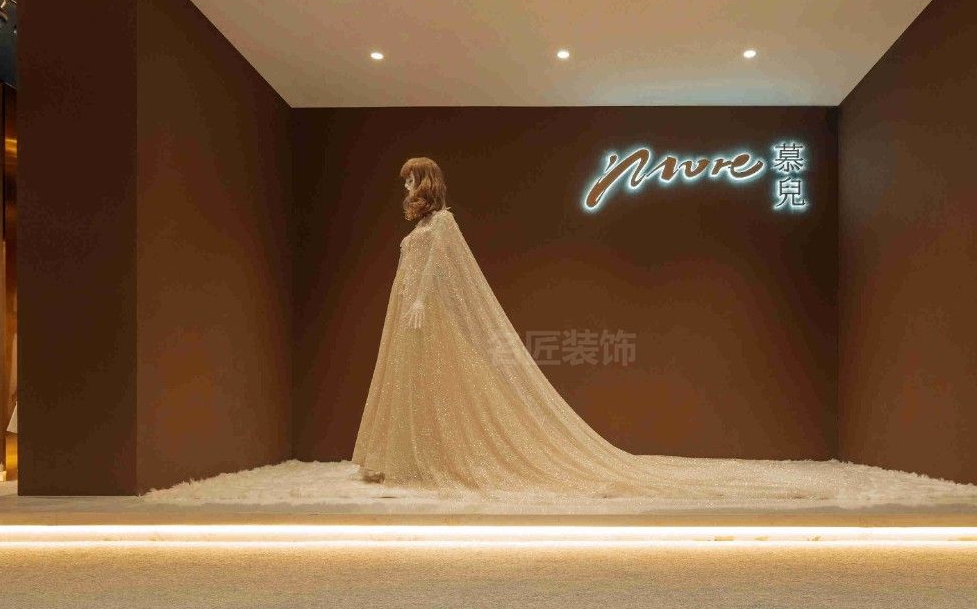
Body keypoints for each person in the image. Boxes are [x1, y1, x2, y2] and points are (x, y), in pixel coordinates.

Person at [353, 157, 834, 499]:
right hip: (407, 316)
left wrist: (421, 299)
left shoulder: (442, 224)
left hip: (424, 314)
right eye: (405, 180)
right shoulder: (419, 229)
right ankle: (401, 457)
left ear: (427, 182)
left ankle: (427, 460)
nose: (406, 187)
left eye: (411, 179)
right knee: (412, 383)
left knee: (437, 383)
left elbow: (439, 272)